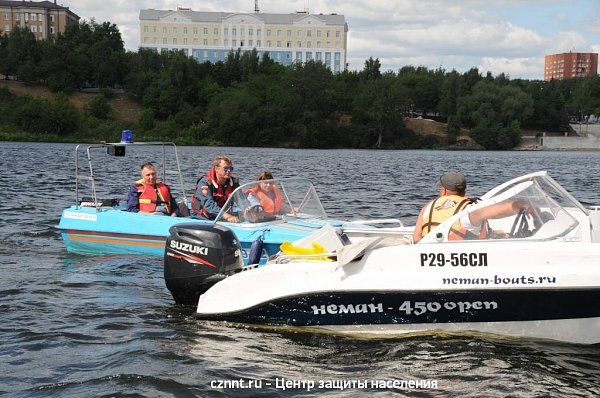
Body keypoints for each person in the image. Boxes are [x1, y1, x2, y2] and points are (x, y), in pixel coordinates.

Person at [413, 171, 473, 243]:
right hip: (458, 251)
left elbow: (416, 238)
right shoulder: (470, 208)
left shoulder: (428, 207)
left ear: (444, 190)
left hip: (428, 250)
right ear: (464, 191)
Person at [192, 155, 240, 222]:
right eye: (226, 168)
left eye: (231, 168)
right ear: (216, 169)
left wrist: (249, 209)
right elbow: (208, 205)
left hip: (222, 217)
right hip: (202, 218)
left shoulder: (234, 183)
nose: (229, 171)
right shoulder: (205, 183)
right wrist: (227, 216)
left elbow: (241, 199)